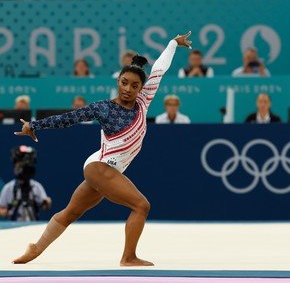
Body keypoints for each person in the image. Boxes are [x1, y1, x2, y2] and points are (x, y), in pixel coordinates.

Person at [12, 32, 192, 266]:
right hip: (99, 167)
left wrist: (172, 44)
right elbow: (71, 118)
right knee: (141, 205)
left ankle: (35, 249)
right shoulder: (104, 108)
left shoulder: (144, 101)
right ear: (118, 81)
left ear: (141, 87)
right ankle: (128, 257)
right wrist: (34, 125)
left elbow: (159, 69)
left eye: (134, 85)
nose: (128, 88)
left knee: (71, 212)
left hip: (109, 171)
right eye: (124, 83)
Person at [0, 145, 51, 221]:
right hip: (14, 227)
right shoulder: (9, 188)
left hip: (33, 226)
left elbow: (45, 207)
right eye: (21, 166)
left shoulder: (36, 186)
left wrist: (47, 202)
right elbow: (1, 209)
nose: (24, 170)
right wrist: (9, 210)